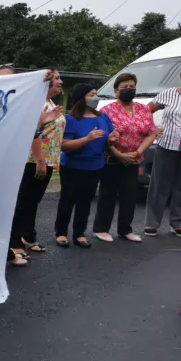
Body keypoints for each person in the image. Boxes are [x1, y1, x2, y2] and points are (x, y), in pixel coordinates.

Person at [8, 68, 65, 265]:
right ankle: (15, 242)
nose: (61, 82)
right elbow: (32, 131)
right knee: (24, 201)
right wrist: (40, 159)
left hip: (48, 160)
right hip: (33, 159)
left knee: (33, 201)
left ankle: (28, 236)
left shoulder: (50, 103)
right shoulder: (36, 103)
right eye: (56, 78)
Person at [93, 73, 157, 243]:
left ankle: (125, 229)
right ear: (116, 91)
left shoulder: (143, 109)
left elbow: (151, 133)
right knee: (108, 194)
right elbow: (103, 136)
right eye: (125, 87)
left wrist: (138, 152)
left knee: (130, 195)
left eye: (132, 87)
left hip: (134, 159)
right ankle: (101, 229)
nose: (129, 89)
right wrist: (119, 155)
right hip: (112, 158)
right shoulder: (106, 111)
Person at [54, 84, 118, 248]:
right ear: (81, 98)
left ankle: (79, 233)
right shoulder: (71, 120)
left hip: (95, 165)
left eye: (96, 94)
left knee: (85, 201)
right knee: (67, 200)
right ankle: (61, 232)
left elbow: (109, 139)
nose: (96, 98)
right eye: (92, 95)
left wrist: (112, 139)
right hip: (73, 166)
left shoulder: (102, 117)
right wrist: (87, 139)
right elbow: (64, 146)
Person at [144, 65, 181, 238]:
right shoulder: (168, 94)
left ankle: (178, 223)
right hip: (167, 145)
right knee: (159, 185)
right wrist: (152, 128)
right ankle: (152, 223)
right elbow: (146, 111)